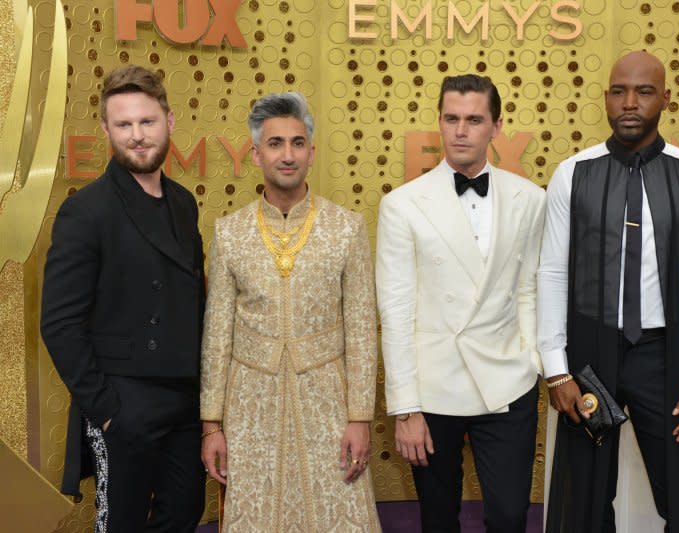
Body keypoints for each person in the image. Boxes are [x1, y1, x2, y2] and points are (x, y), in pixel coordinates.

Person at [538, 51, 679, 532]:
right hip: (588, 353)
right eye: (619, 91)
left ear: (665, 100)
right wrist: (557, 370)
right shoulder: (572, 174)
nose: (630, 102)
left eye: (644, 92)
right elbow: (550, 272)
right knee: (582, 501)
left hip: (665, 356)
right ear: (606, 97)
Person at [199, 92, 381, 532]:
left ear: (312, 153)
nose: (287, 154)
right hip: (250, 406)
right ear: (257, 154)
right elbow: (217, 334)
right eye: (275, 144)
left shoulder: (347, 228)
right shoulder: (229, 233)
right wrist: (211, 426)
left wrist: (360, 417)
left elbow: (360, 329)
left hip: (327, 402)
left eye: (297, 143)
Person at [375, 74, 547, 533]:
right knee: (438, 518)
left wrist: (531, 360)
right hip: (432, 389)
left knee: (511, 516)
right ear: (440, 124)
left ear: (496, 126)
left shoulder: (531, 199)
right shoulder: (403, 205)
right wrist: (405, 408)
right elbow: (395, 312)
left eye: (474, 119)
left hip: (507, 381)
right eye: (451, 119)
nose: (461, 130)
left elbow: (530, 289)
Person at [40, 65, 206, 532]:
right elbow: (59, 323)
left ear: (170, 122)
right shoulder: (86, 210)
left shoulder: (182, 202)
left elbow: (193, 301)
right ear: (107, 131)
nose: (136, 136)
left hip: (183, 397)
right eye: (123, 125)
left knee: (184, 511)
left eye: (147, 122)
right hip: (123, 400)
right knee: (122, 524)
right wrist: (107, 410)